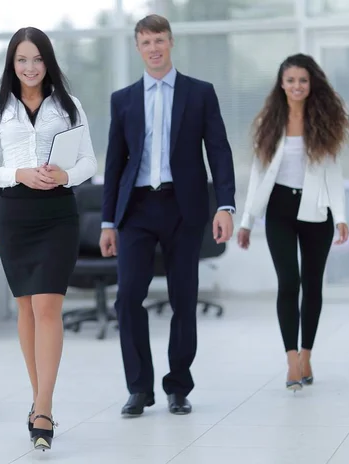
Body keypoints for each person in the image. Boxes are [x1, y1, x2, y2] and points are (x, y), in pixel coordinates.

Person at [100, 14, 236, 417]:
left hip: (184, 206)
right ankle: (139, 388)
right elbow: (114, 164)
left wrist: (225, 205)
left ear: (170, 42)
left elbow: (219, 151)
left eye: (159, 40)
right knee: (128, 299)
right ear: (138, 48)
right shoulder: (123, 99)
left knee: (183, 299)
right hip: (137, 209)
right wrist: (109, 221)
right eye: (146, 42)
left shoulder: (199, 93)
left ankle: (178, 386)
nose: (154, 48)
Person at [0, 27, 97, 450]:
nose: (30, 68)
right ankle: (38, 399)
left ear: (49, 63)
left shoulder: (68, 106)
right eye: (22, 60)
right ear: (12, 63)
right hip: (16, 215)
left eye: (38, 59)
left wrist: (65, 174)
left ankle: (43, 406)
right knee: (26, 307)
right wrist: (18, 174)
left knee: (47, 305)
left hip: (57, 214)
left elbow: (88, 162)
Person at [237, 53, 349, 391]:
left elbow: (334, 171)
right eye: (290, 80)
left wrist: (341, 216)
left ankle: (306, 354)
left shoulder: (326, 121)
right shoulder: (268, 123)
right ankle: (290, 360)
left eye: (303, 80)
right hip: (280, 211)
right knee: (289, 282)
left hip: (317, 211)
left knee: (312, 284)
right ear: (282, 84)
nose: (297, 86)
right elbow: (259, 174)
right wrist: (246, 221)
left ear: (311, 83)